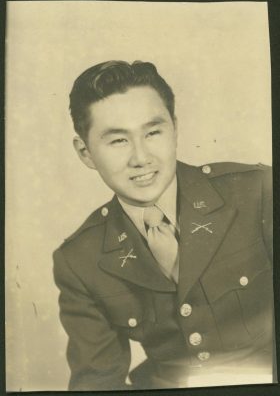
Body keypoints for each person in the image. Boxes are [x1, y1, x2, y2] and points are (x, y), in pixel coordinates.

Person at [53, 60, 275, 390]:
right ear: (85, 152)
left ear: (174, 127)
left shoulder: (258, 192)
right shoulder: (79, 259)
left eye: (153, 132)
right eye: (118, 141)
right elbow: (97, 382)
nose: (141, 157)